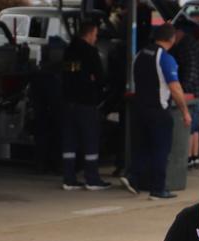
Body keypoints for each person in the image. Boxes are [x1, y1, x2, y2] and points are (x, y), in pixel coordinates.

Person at [121, 24, 190, 200]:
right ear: (172, 39)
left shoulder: (140, 54)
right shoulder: (165, 58)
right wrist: (185, 111)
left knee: (141, 148)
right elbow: (175, 88)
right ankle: (158, 189)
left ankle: (132, 177)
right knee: (161, 150)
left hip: (138, 109)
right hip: (158, 111)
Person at [61, 21, 110, 191]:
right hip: (86, 103)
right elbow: (99, 77)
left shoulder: (69, 51)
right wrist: (95, 83)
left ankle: (69, 178)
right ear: (89, 34)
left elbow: (69, 74)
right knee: (90, 140)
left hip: (68, 103)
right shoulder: (90, 52)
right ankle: (92, 178)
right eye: (95, 34)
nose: (96, 38)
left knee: (70, 141)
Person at [171, 17, 199, 170]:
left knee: (187, 126)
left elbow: (190, 70)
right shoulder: (192, 43)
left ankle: (187, 158)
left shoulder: (185, 46)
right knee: (194, 127)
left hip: (195, 92)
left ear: (179, 32)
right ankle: (194, 157)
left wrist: (182, 88)